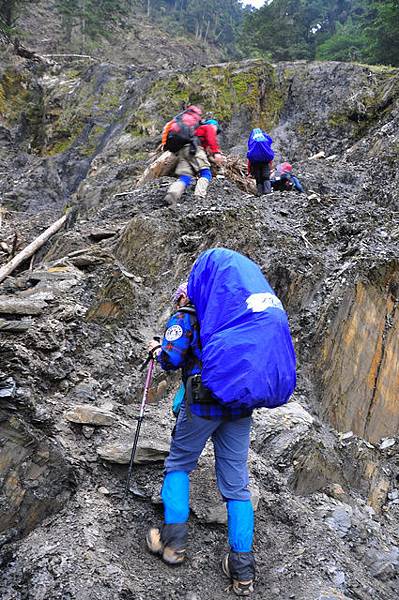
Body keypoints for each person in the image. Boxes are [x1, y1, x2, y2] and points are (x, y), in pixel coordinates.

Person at [146, 249, 296, 597]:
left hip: (201, 406)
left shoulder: (188, 315)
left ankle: (173, 543)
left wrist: (158, 350)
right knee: (237, 487)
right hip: (239, 409)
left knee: (179, 465)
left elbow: (171, 358)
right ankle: (242, 570)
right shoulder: (232, 316)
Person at [163, 116, 224, 206]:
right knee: (206, 173)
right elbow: (212, 140)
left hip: (183, 151)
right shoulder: (209, 127)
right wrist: (216, 153)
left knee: (185, 175)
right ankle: (199, 197)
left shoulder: (195, 129)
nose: (216, 133)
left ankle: (172, 194)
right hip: (195, 149)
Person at [246, 128, 275, 196]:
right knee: (265, 176)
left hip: (255, 163)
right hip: (265, 162)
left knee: (258, 177)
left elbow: (250, 157)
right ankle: (267, 191)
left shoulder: (252, 141)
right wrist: (270, 165)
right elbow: (268, 150)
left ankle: (260, 192)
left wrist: (249, 170)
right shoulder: (264, 139)